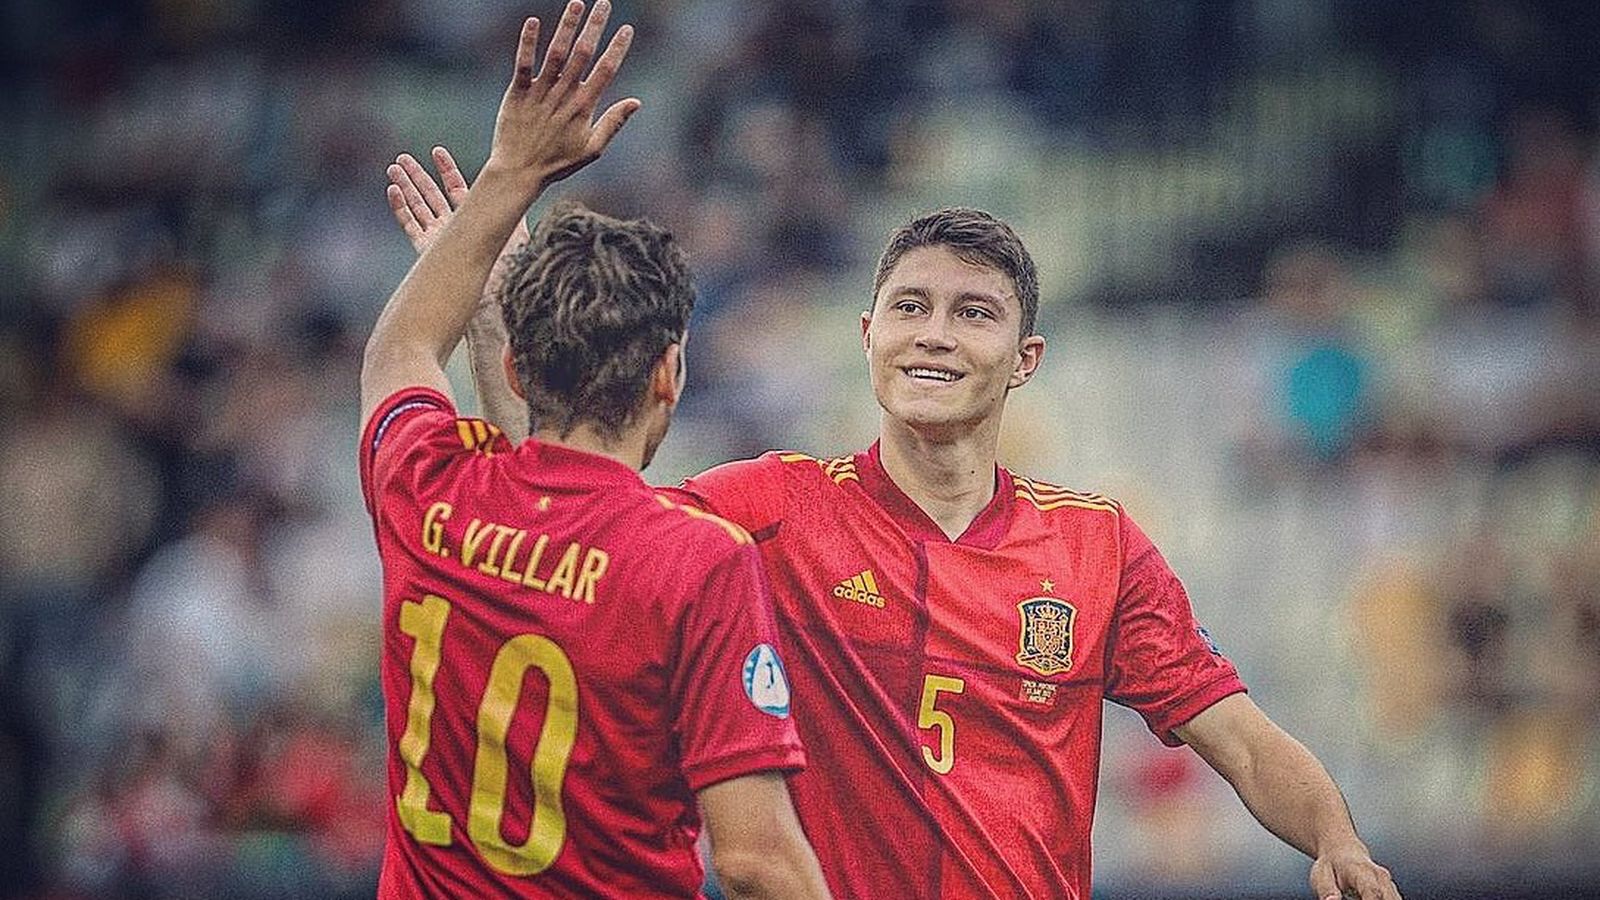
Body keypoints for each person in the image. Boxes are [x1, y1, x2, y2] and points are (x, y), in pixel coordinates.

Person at [387, 58, 1401, 900]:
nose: (934, 333)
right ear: (868, 335)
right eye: (909, 306)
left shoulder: (1098, 546)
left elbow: (1244, 742)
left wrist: (1334, 838)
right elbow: (567, 505)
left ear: (1027, 355)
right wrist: (493, 313)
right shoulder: (767, 508)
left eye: (973, 312)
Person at [360, 4, 831, 897]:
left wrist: (509, 176)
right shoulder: (697, 562)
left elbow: (399, 352)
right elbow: (757, 860)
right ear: (669, 372)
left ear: (511, 364)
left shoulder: (429, 488)